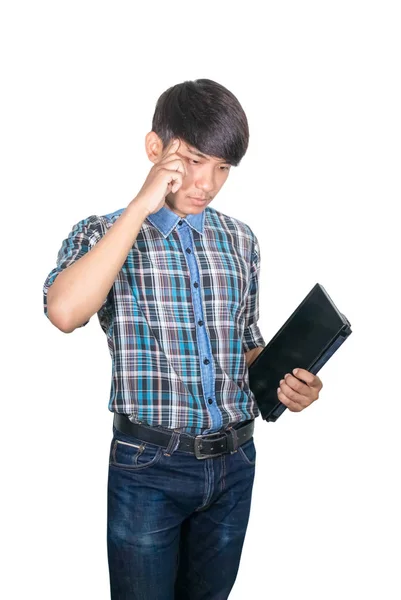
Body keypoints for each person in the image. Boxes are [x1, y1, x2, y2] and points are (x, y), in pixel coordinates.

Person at [43, 78, 323, 600]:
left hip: (235, 461)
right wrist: (140, 206)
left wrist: (288, 381)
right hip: (149, 467)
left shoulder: (241, 240)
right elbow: (63, 312)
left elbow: (245, 341)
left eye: (222, 168)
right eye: (194, 160)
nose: (208, 183)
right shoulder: (100, 235)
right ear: (157, 149)